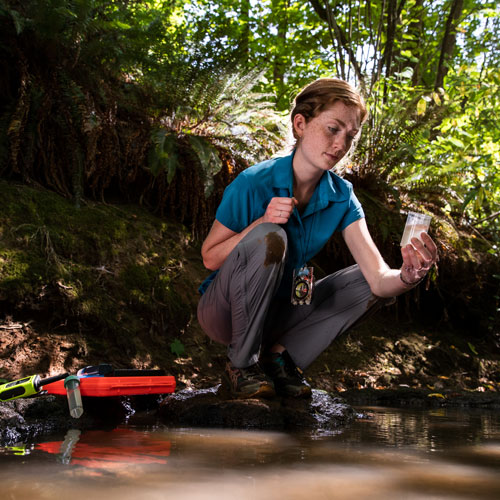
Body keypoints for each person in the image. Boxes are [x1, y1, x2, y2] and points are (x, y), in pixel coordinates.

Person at [197, 78, 438, 399]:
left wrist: (408, 277)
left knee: (366, 282)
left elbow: (379, 279)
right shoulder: (253, 182)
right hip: (224, 310)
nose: (341, 144)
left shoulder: (343, 196)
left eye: (350, 136)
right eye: (332, 129)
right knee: (270, 236)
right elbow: (210, 258)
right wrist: (261, 224)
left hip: (282, 311)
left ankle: (277, 360)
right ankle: (240, 365)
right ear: (300, 124)